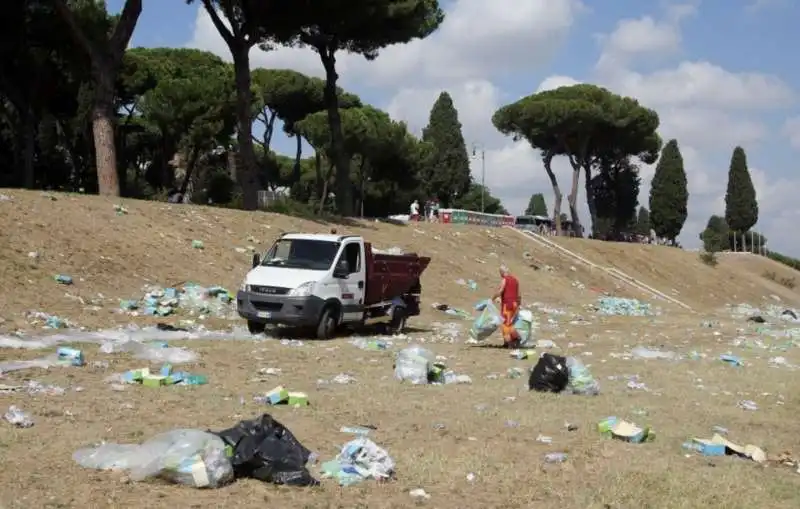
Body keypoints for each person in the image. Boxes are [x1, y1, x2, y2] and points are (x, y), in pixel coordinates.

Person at [492, 265, 521, 348]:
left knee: (504, 324)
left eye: (500, 273)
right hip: (514, 304)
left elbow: (500, 291)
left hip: (507, 305)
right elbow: (519, 294)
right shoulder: (515, 280)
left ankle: (512, 341)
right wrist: (519, 304)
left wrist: (492, 298)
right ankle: (508, 342)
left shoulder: (505, 280)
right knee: (509, 323)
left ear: (502, 272)